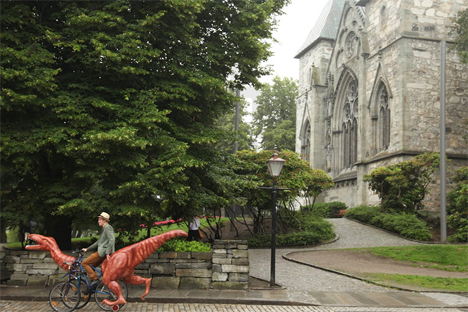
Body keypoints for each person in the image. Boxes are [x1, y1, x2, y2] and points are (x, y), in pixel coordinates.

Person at [81, 212, 115, 290]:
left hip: (102, 253)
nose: (98, 221)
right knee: (90, 265)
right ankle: (92, 287)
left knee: (84, 263)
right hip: (102, 252)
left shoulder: (107, 227)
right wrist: (88, 249)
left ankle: (95, 280)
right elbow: (98, 242)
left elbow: (112, 240)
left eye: (99, 219)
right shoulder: (104, 229)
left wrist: (107, 252)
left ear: (104, 220)